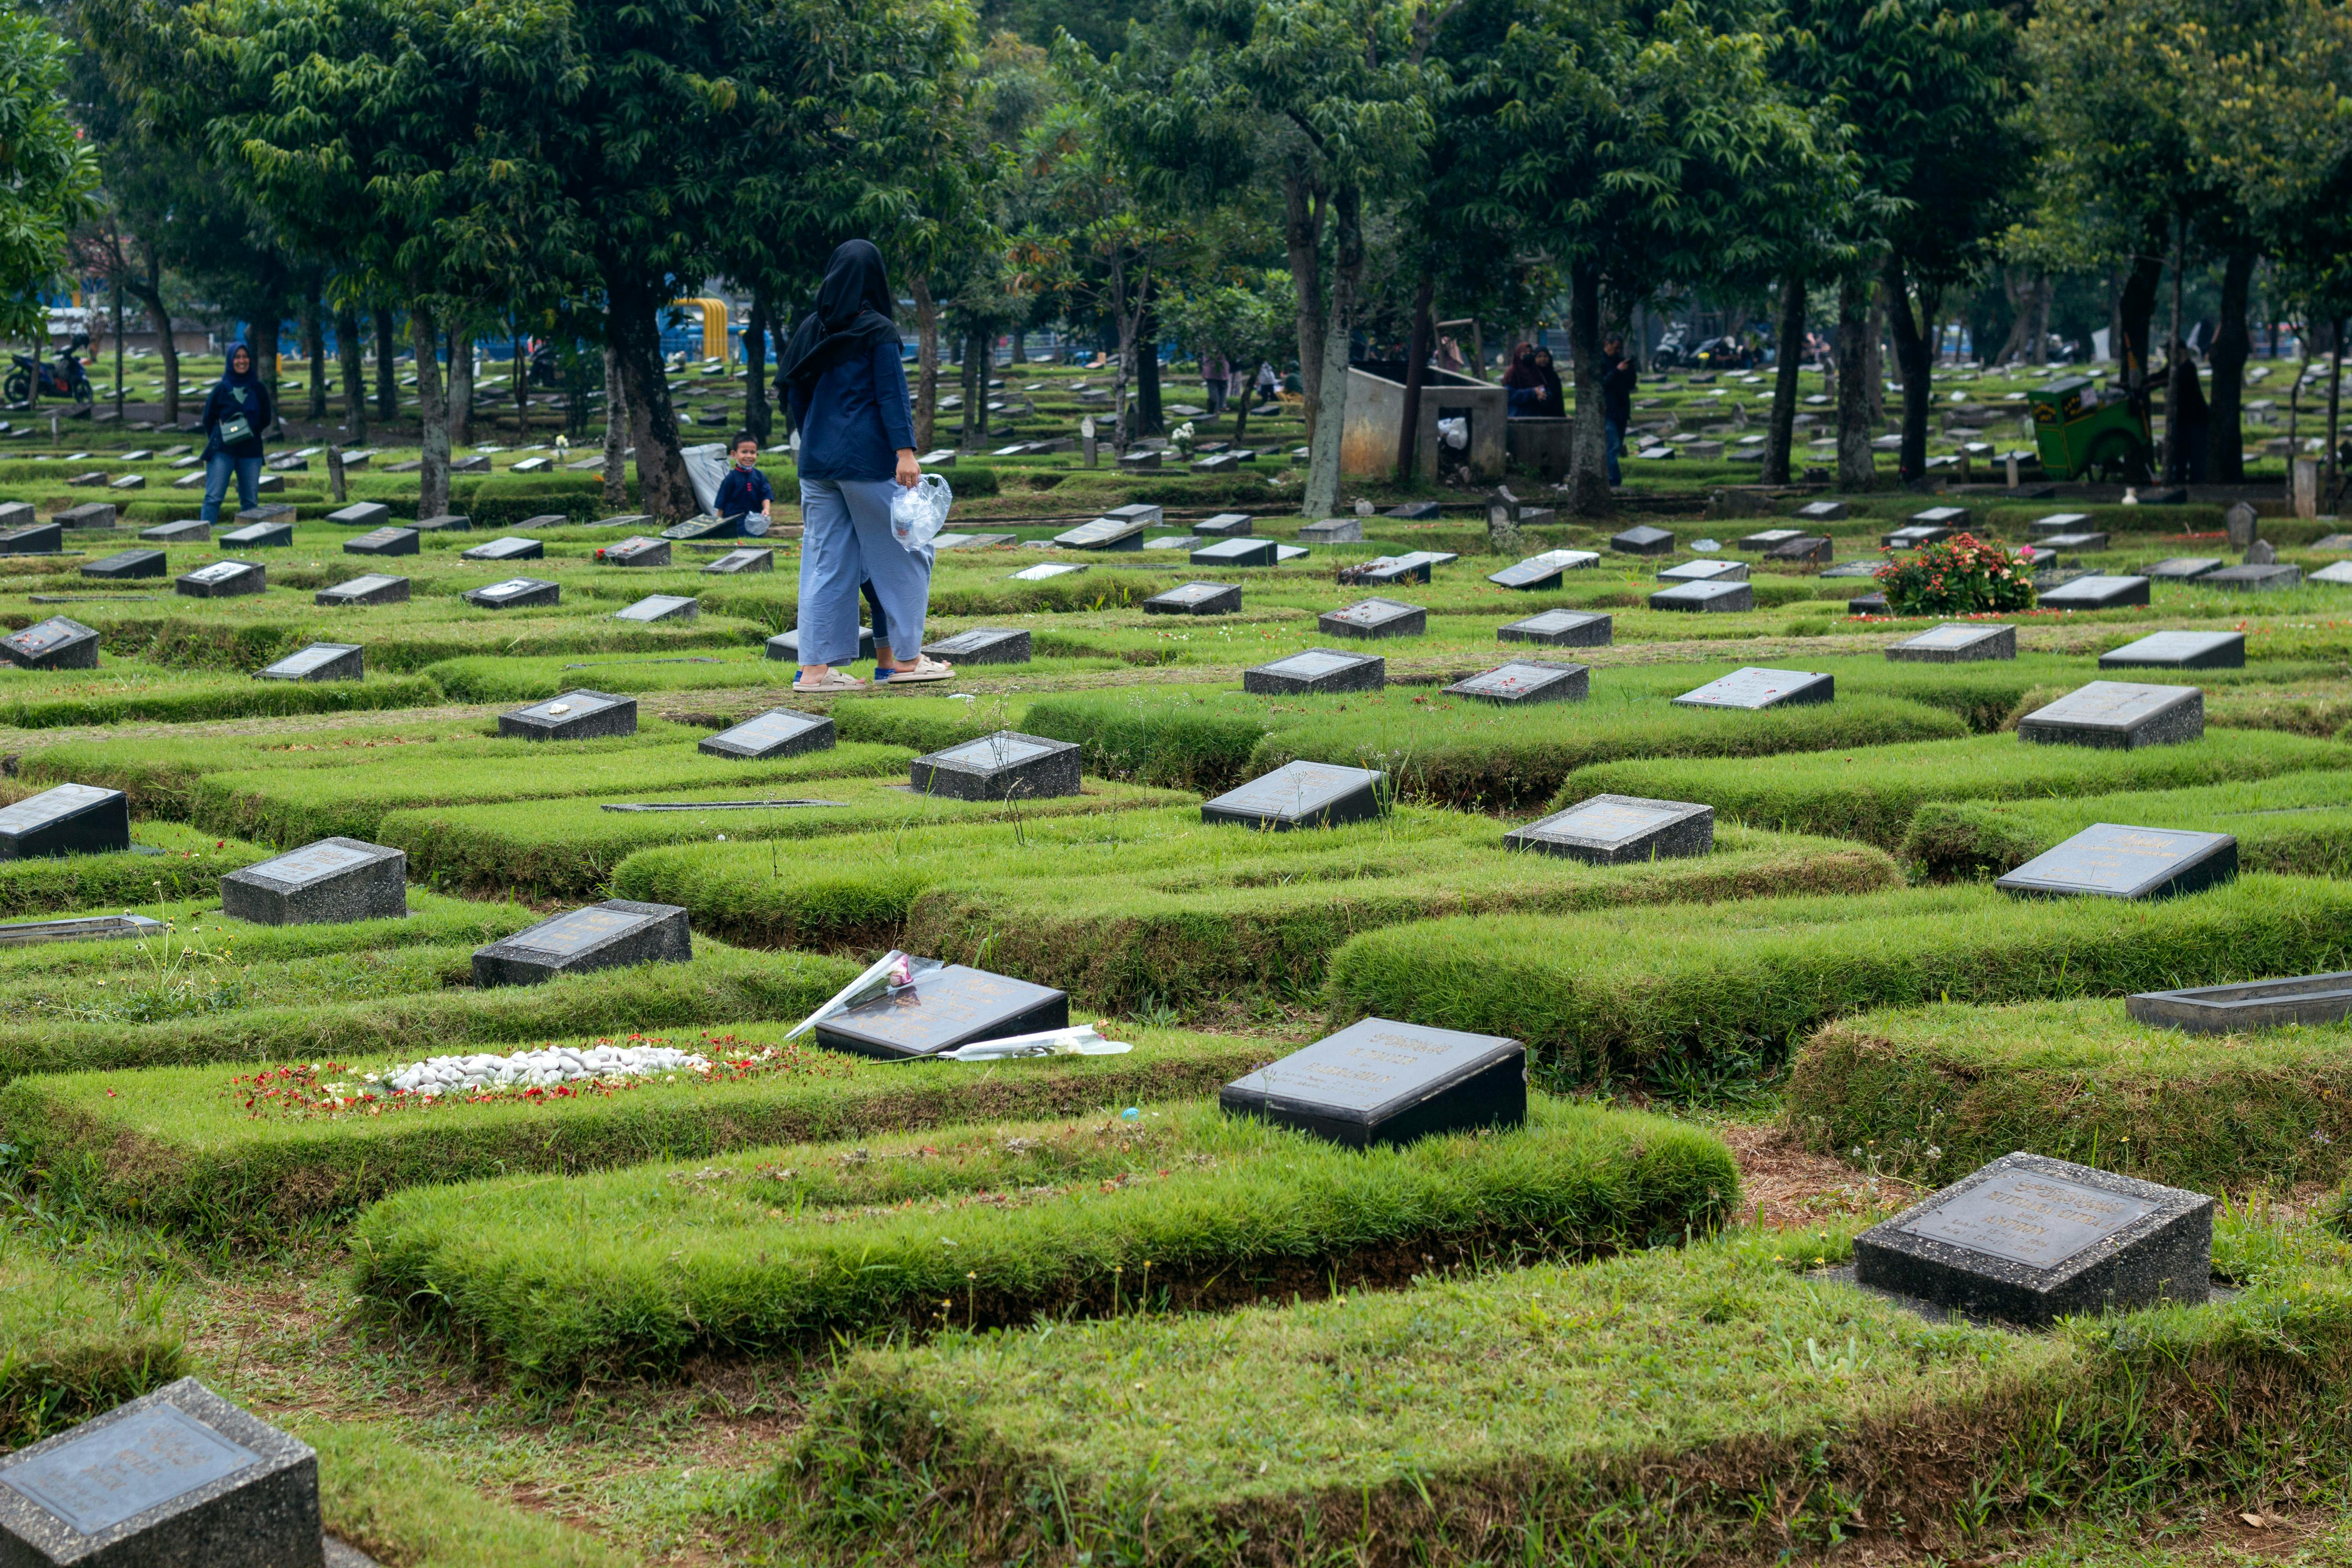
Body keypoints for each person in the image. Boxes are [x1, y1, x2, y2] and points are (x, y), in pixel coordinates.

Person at [777, 239, 951, 691]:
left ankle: (814, 673)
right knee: (908, 553)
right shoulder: (876, 330)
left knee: (825, 564)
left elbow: (793, 392)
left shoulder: (811, 329)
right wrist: (905, 452)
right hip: (866, 462)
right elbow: (892, 394)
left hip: (817, 466)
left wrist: (817, 437)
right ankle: (906, 662)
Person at [199, 341, 271, 523]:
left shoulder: (258, 389)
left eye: (245, 357)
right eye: (237, 357)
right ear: (230, 361)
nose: (242, 361)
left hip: (251, 451)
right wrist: (224, 435)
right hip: (223, 450)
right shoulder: (221, 389)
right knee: (213, 498)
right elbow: (208, 419)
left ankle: (250, 536)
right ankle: (204, 533)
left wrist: (248, 432)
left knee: (250, 501)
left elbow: (266, 418)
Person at [715, 431, 775, 533]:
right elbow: (721, 504)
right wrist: (718, 525)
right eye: (744, 452)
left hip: (754, 522)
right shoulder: (731, 478)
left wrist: (766, 509)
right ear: (734, 454)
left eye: (753, 453)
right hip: (734, 523)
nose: (749, 456)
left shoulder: (759, 476)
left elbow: (766, 495)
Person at [1598, 335, 1637, 487]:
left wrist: (1630, 371)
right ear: (1607, 345)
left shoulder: (1621, 361)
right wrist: (1616, 371)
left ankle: (1611, 479)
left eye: (1620, 349)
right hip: (1608, 410)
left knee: (1616, 446)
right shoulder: (1600, 362)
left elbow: (1630, 385)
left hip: (1622, 410)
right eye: (1616, 348)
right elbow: (1602, 384)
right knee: (1613, 446)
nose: (1618, 351)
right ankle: (1614, 481)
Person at [1502, 344, 1543, 417]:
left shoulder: (1535, 370)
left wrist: (1542, 393)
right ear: (1518, 354)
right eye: (1525, 352)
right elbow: (1510, 395)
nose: (1528, 354)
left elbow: (1541, 385)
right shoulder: (1512, 371)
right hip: (1517, 414)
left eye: (1530, 352)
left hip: (1533, 414)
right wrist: (1532, 392)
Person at [1533, 348, 1565, 418]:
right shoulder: (1532, 375)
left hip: (1554, 413)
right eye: (1539, 357)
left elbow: (1559, 398)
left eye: (1545, 356)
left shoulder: (1554, 376)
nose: (1543, 359)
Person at [1202, 352, 1228, 416]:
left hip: (1211, 369)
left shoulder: (1208, 348)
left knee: (1213, 390)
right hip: (1223, 369)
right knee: (1223, 389)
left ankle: (1215, 409)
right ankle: (1221, 406)